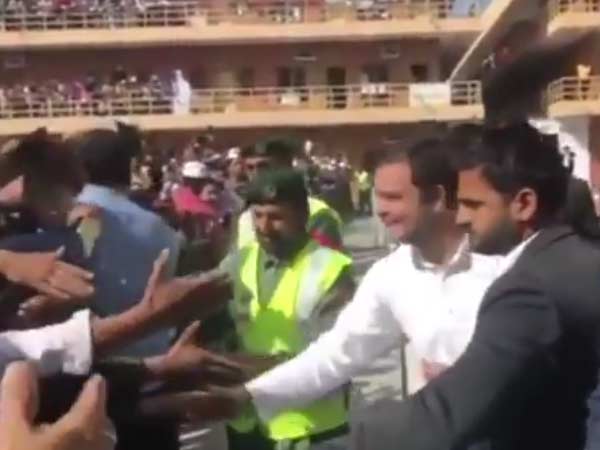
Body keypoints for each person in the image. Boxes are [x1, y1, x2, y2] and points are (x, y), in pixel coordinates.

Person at [67, 124, 182, 450]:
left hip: (83, 378)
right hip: (153, 378)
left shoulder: (66, 218)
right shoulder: (159, 226)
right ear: (129, 167)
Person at [223, 168, 355, 450]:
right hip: (249, 424)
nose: (264, 226)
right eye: (257, 215)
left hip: (310, 427)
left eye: (276, 217)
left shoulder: (329, 269)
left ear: (303, 216)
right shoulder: (238, 262)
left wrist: (247, 367)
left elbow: (332, 358)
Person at [237, 138, 343, 250]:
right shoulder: (246, 217)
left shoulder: (319, 214)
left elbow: (325, 257)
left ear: (286, 166)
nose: (256, 174)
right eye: (250, 168)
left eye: (264, 166)